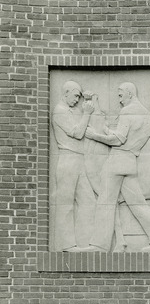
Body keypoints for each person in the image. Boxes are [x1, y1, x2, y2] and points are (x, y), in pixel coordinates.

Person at [80, 82, 150, 251]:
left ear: (129, 94)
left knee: (105, 202)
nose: (119, 101)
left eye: (120, 96)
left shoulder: (127, 111)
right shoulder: (149, 118)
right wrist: (106, 130)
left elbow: (119, 140)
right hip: (130, 162)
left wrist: (95, 135)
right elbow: (128, 139)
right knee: (138, 204)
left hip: (117, 162)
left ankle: (99, 245)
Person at [51, 80, 96, 251]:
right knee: (65, 204)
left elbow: (85, 126)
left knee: (89, 202)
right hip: (68, 159)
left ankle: (83, 242)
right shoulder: (59, 111)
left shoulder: (71, 111)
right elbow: (78, 133)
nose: (77, 100)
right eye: (76, 96)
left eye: (79, 96)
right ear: (66, 92)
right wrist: (86, 114)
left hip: (78, 160)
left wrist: (88, 104)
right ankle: (67, 245)